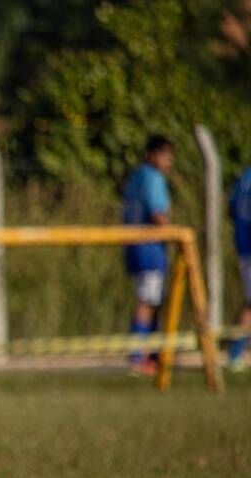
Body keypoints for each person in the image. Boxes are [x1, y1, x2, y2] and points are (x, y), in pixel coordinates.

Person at [121, 134, 174, 376]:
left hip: (132, 244)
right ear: (151, 154)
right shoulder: (153, 178)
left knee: (150, 300)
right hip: (149, 247)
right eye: (164, 155)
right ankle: (138, 357)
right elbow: (158, 215)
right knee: (148, 301)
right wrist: (172, 231)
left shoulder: (135, 177)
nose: (168, 161)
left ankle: (149, 355)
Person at [227, 164, 251, 371]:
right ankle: (235, 353)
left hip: (243, 246)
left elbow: (231, 209)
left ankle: (235, 351)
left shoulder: (245, 177)